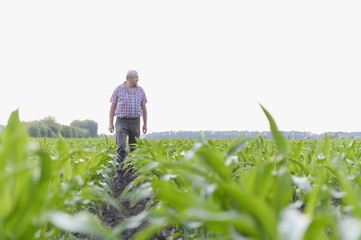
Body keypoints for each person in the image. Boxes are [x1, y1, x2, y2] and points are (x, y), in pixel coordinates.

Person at [108, 70, 148, 177]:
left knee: (133, 147)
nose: (138, 79)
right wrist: (110, 123)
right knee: (121, 145)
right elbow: (112, 107)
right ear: (129, 78)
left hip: (136, 122)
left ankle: (131, 171)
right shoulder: (118, 89)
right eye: (136, 77)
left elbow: (144, 108)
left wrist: (145, 124)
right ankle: (119, 171)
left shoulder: (140, 90)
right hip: (121, 121)